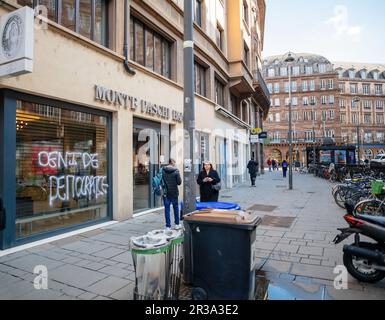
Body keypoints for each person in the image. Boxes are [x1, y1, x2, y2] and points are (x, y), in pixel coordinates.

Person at [161, 159, 182, 230]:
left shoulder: (163, 170)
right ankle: (177, 224)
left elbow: (161, 181)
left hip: (165, 193)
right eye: (174, 163)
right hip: (174, 193)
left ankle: (168, 226)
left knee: (167, 209)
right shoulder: (176, 171)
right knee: (176, 208)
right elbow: (179, 182)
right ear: (172, 163)